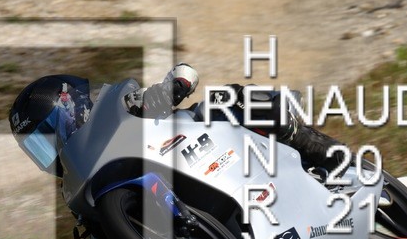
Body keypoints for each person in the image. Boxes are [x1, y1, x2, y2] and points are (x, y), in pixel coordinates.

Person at [127, 63, 346, 171]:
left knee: (222, 98)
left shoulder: (127, 105)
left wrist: (170, 90)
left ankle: (304, 139)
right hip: (171, 171)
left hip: (200, 137)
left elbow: (185, 73)